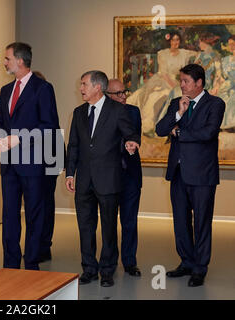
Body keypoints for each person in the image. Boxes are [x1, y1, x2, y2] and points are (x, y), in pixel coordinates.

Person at [65, 71, 140, 287]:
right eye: (81, 84)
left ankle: (107, 271)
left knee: (108, 227)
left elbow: (131, 133)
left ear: (98, 87)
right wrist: (70, 173)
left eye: (84, 84)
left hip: (108, 179)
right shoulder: (78, 113)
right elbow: (74, 146)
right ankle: (89, 269)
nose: (81, 88)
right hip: (83, 181)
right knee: (85, 227)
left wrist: (132, 143)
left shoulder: (117, 110)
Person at [155, 64, 225, 287]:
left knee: (202, 222)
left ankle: (199, 268)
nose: (181, 85)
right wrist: (178, 114)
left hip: (203, 175)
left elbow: (208, 133)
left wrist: (179, 132)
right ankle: (186, 262)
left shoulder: (215, 104)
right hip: (178, 173)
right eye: (181, 80)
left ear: (199, 83)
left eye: (185, 81)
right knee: (181, 222)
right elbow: (160, 129)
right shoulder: (177, 103)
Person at [0, 43, 60, 271]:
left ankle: (32, 264)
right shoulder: (5, 91)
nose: (5, 62)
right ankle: (10, 265)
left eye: (7, 58)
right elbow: (0, 123)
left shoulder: (43, 88)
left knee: (34, 215)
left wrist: (19, 139)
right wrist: (0, 139)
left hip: (33, 164)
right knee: (9, 216)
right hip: (9, 165)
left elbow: (50, 126)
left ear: (20, 61)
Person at [127, 32, 196, 137]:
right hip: (164, 80)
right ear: (169, 41)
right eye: (173, 40)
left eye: (177, 40)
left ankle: (176, 124)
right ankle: (149, 126)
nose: (175, 42)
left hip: (178, 81)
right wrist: (174, 86)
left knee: (174, 96)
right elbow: (164, 74)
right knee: (157, 96)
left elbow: (198, 54)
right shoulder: (163, 54)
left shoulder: (184, 53)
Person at [106, 79, 142, 277]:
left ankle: (130, 262)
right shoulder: (101, 114)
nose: (123, 96)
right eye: (118, 93)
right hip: (109, 177)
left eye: (125, 92)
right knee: (109, 222)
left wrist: (129, 143)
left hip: (130, 175)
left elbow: (134, 136)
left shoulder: (133, 112)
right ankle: (109, 263)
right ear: (107, 95)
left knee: (129, 222)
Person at [32, 71, 65, 263]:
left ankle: (44, 246)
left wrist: (58, 162)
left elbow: (54, 130)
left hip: (47, 162)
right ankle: (37, 245)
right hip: (31, 162)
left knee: (45, 205)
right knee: (38, 206)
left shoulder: (46, 104)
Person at [213, 35, 235, 130]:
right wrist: (216, 86)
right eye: (230, 44)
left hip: (233, 87)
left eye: (233, 44)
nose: (231, 46)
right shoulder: (225, 60)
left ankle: (230, 125)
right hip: (225, 86)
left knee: (231, 98)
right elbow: (220, 77)